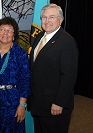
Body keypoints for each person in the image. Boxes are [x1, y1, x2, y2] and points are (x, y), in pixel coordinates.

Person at [29, 4, 78, 133]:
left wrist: (59, 102)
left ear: (60, 20)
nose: (47, 21)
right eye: (44, 17)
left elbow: (69, 75)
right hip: (39, 102)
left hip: (54, 105)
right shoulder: (40, 37)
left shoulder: (67, 42)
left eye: (51, 17)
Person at [0, 17, 31, 133]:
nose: (5, 33)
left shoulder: (21, 54)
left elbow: (25, 81)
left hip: (11, 102)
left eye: (9, 30)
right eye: (2, 29)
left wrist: (22, 106)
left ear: (14, 34)